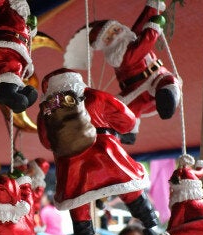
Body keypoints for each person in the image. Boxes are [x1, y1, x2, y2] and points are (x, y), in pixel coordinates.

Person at [37, 68, 170, 235]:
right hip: (108, 158)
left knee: (79, 201)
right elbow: (128, 121)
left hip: (72, 166)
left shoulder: (47, 111)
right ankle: (152, 228)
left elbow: (46, 142)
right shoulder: (94, 96)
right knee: (131, 191)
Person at [64, 0, 180, 144]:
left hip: (156, 76)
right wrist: (154, 28)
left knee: (167, 82)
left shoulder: (127, 39)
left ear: (119, 27)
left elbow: (138, 28)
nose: (114, 37)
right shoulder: (125, 55)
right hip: (136, 90)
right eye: (108, 38)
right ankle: (128, 130)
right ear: (105, 47)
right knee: (121, 106)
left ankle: (169, 97)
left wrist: (152, 7)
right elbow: (144, 43)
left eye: (114, 31)